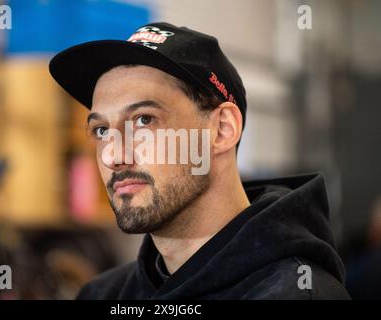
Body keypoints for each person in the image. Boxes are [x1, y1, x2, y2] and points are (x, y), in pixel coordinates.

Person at [49, 22, 350, 299]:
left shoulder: (294, 293)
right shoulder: (102, 294)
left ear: (222, 130)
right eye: (101, 130)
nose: (113, 155)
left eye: (143, 120)